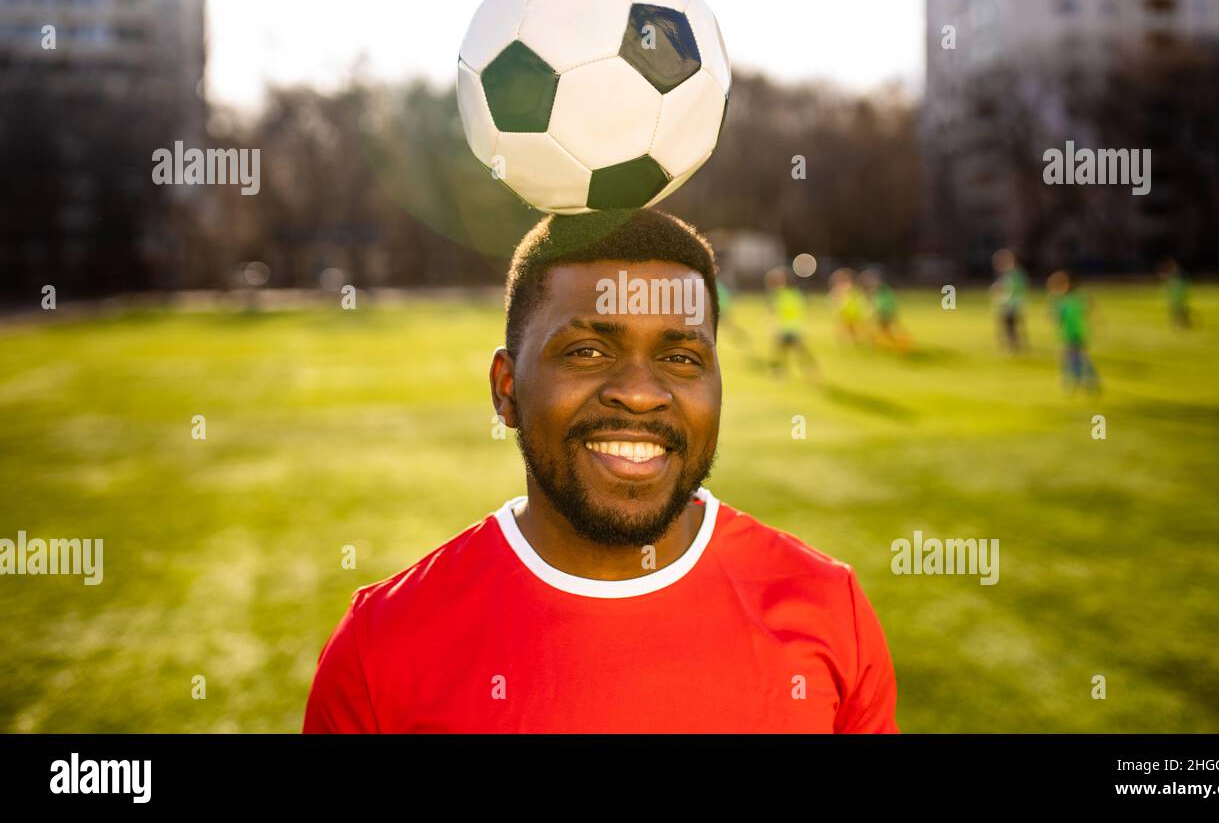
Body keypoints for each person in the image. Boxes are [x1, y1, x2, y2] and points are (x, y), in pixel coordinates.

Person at [304, 210, 896, 733]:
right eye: (587, 351)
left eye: (680, 357)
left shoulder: (827, 609)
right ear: (506, 389)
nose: (640, 394)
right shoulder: (381, 648)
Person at [1046, 270, 1101, 395]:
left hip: (1071, 334)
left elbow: (1058, 318)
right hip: (1079, 333)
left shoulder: (1064, 301)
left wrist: (1053, 313)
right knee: (1080, 358)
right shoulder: (1076, 297)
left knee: (1071, 359)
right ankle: (1090, 380)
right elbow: (1089, 306)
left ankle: (1076, 381)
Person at [765, 265, 820, 381]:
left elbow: (779, 309)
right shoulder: (790, 294)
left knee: (795, 352)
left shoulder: (787, 295)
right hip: (786, 328)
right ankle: (786, 372)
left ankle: (809, 368)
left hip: (791, 329)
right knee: (783, 352)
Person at [861, 268, 912, 351]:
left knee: (881, 330)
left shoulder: (881, 289)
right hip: (884, 313)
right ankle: (879, 344)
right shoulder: (879, 289)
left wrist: (879, 311)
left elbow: (884, 302)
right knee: (882, 330)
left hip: (884, 313)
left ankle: (901, 344)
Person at [991, 248, 1029, 351]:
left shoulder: (1014, 274)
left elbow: (1012, 290)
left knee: (1010, 327)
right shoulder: (1011, 274)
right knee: (1011, 326)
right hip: (1011, 303)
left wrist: (1002, 299)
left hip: (1011, 304)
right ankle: (1012, 345)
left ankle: (1013, 347)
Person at [829, 267, 869, 345]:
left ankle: (853, 341)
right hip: (846, 312)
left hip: (851, 312)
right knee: (844, 328)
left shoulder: (850, 289)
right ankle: (846, 341)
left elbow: (857, 300)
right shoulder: (843, 289)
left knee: (851, 328)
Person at [1157, 257, 1192, 329]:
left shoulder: (1176, 273)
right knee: (1177, 308)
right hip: (1177, 292)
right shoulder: (1175, 273)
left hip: (1178, 292)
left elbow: (1172, 282)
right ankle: (1181, 322)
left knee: (1178, 308)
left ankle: (1182, 322)